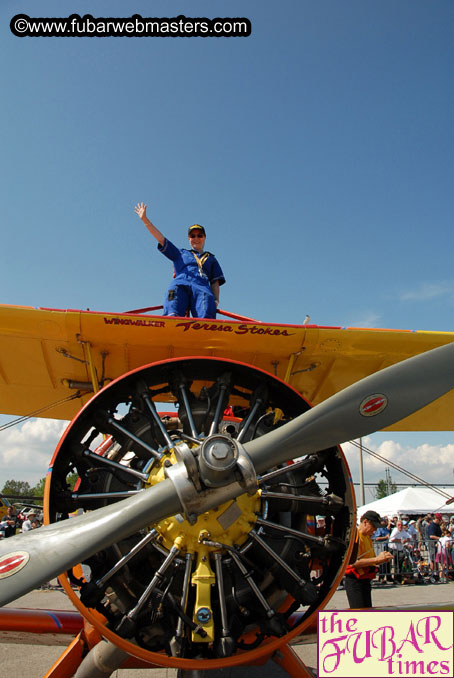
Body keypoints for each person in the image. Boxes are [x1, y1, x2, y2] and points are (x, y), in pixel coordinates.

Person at [134, 202, 225, 319]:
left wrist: (216, 299)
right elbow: (161, 239)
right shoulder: (181, 253)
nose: (196, 238)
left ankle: (205, 328)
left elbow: (215, 282)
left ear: (204, 237)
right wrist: (145, 220)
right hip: (181, 282)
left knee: (206, 302)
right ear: (189, 238)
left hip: (201, 286)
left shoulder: (211, 258)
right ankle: (171, 321)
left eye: (199, 235)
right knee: (174, 298)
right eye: (193, 236)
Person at [344, 510, 393, 608]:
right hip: (355, 580)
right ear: (365, 522)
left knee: (367, 610)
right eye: (373, 526)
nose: (375, 530)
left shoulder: (367, 537)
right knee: (359, 612)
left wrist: (382, 557)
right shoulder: (355, 536)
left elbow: (369, 558)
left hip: (365, 580)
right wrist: (377, 560)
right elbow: (352, 562)